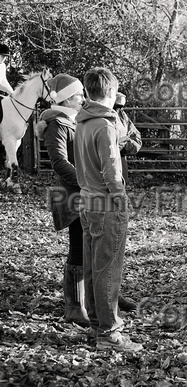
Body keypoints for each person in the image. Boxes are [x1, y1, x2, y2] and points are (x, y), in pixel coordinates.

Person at [74, 67, 142, 351]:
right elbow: (112, 169)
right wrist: (121, 199)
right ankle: (110, 332)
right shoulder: (105, 125)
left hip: (87, 201)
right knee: (109, 269)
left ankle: (95, 324)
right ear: (112, 93)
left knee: (92, 267)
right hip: (105, 203)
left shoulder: (83, 122)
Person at [39, 74, 88, 325]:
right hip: (72, 195)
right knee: (78, 247)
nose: (83, 98)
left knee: (88, 245)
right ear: (68, 98)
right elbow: (60, 163)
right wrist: (86, 181)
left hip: (84, 192)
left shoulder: (72, 120)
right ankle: (74, 305)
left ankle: (89, 298)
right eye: (79, 95)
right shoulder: (58, 125)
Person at [113, 92, 142, 182]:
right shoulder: (99, 117)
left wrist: (126, 145)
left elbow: (136, 138)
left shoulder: (123, 116)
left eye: (121, 107)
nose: (118, 109)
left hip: (120, 161)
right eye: (116, 106)